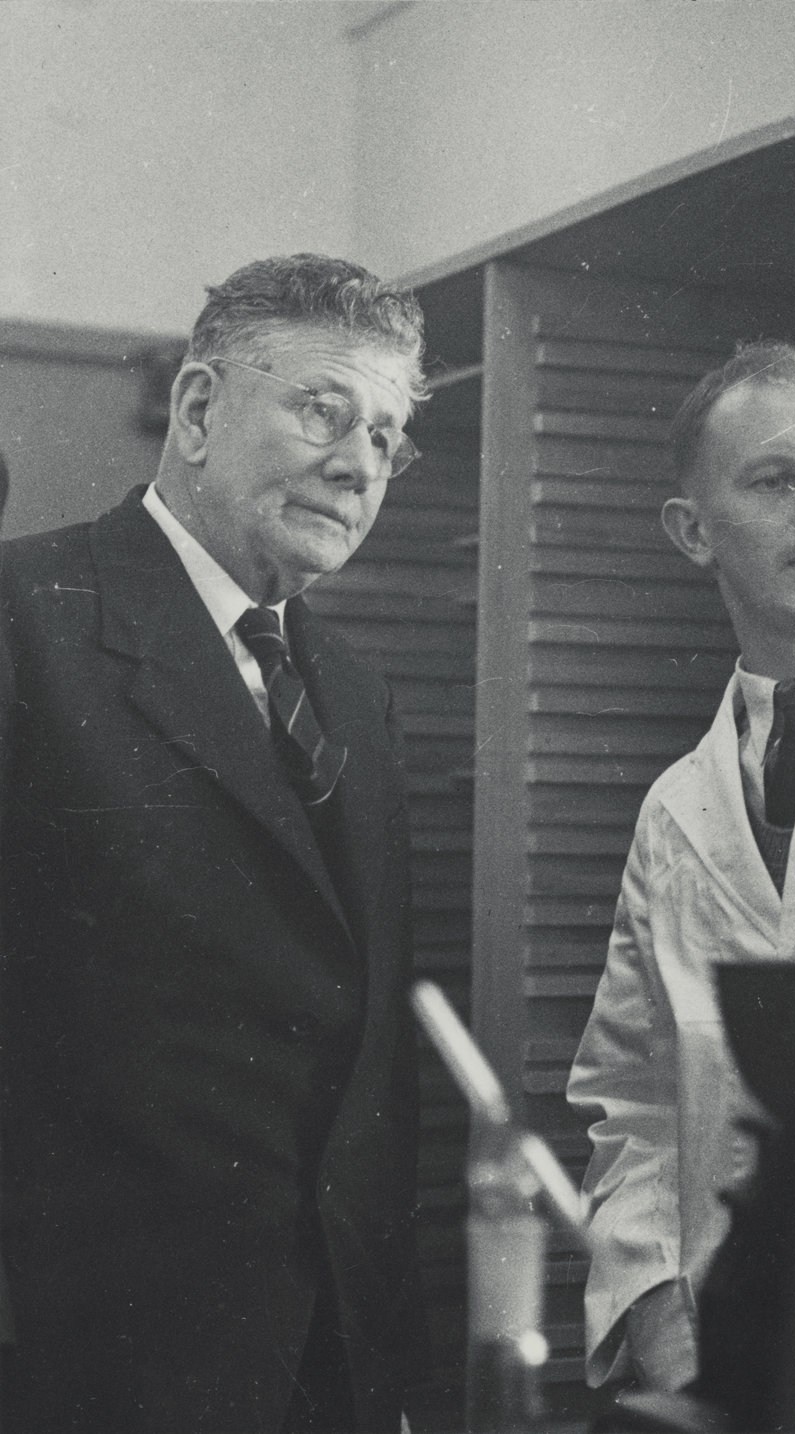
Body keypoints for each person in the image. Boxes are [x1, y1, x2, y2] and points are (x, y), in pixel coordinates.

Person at [0, 254, 426, 1433]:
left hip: (330, 1357)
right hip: (90, 1356)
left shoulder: (354, 690)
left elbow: (372, 1045)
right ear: (196, 409)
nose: (359, 465)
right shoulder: (25, 622)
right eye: (323, 411)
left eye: (388, 437)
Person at [566, 341, 795, 1396]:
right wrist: (657, 1311)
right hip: (721, 1359)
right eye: (773, 477)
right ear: (691, 532)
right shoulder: (675, 810)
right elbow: (631, 1100)